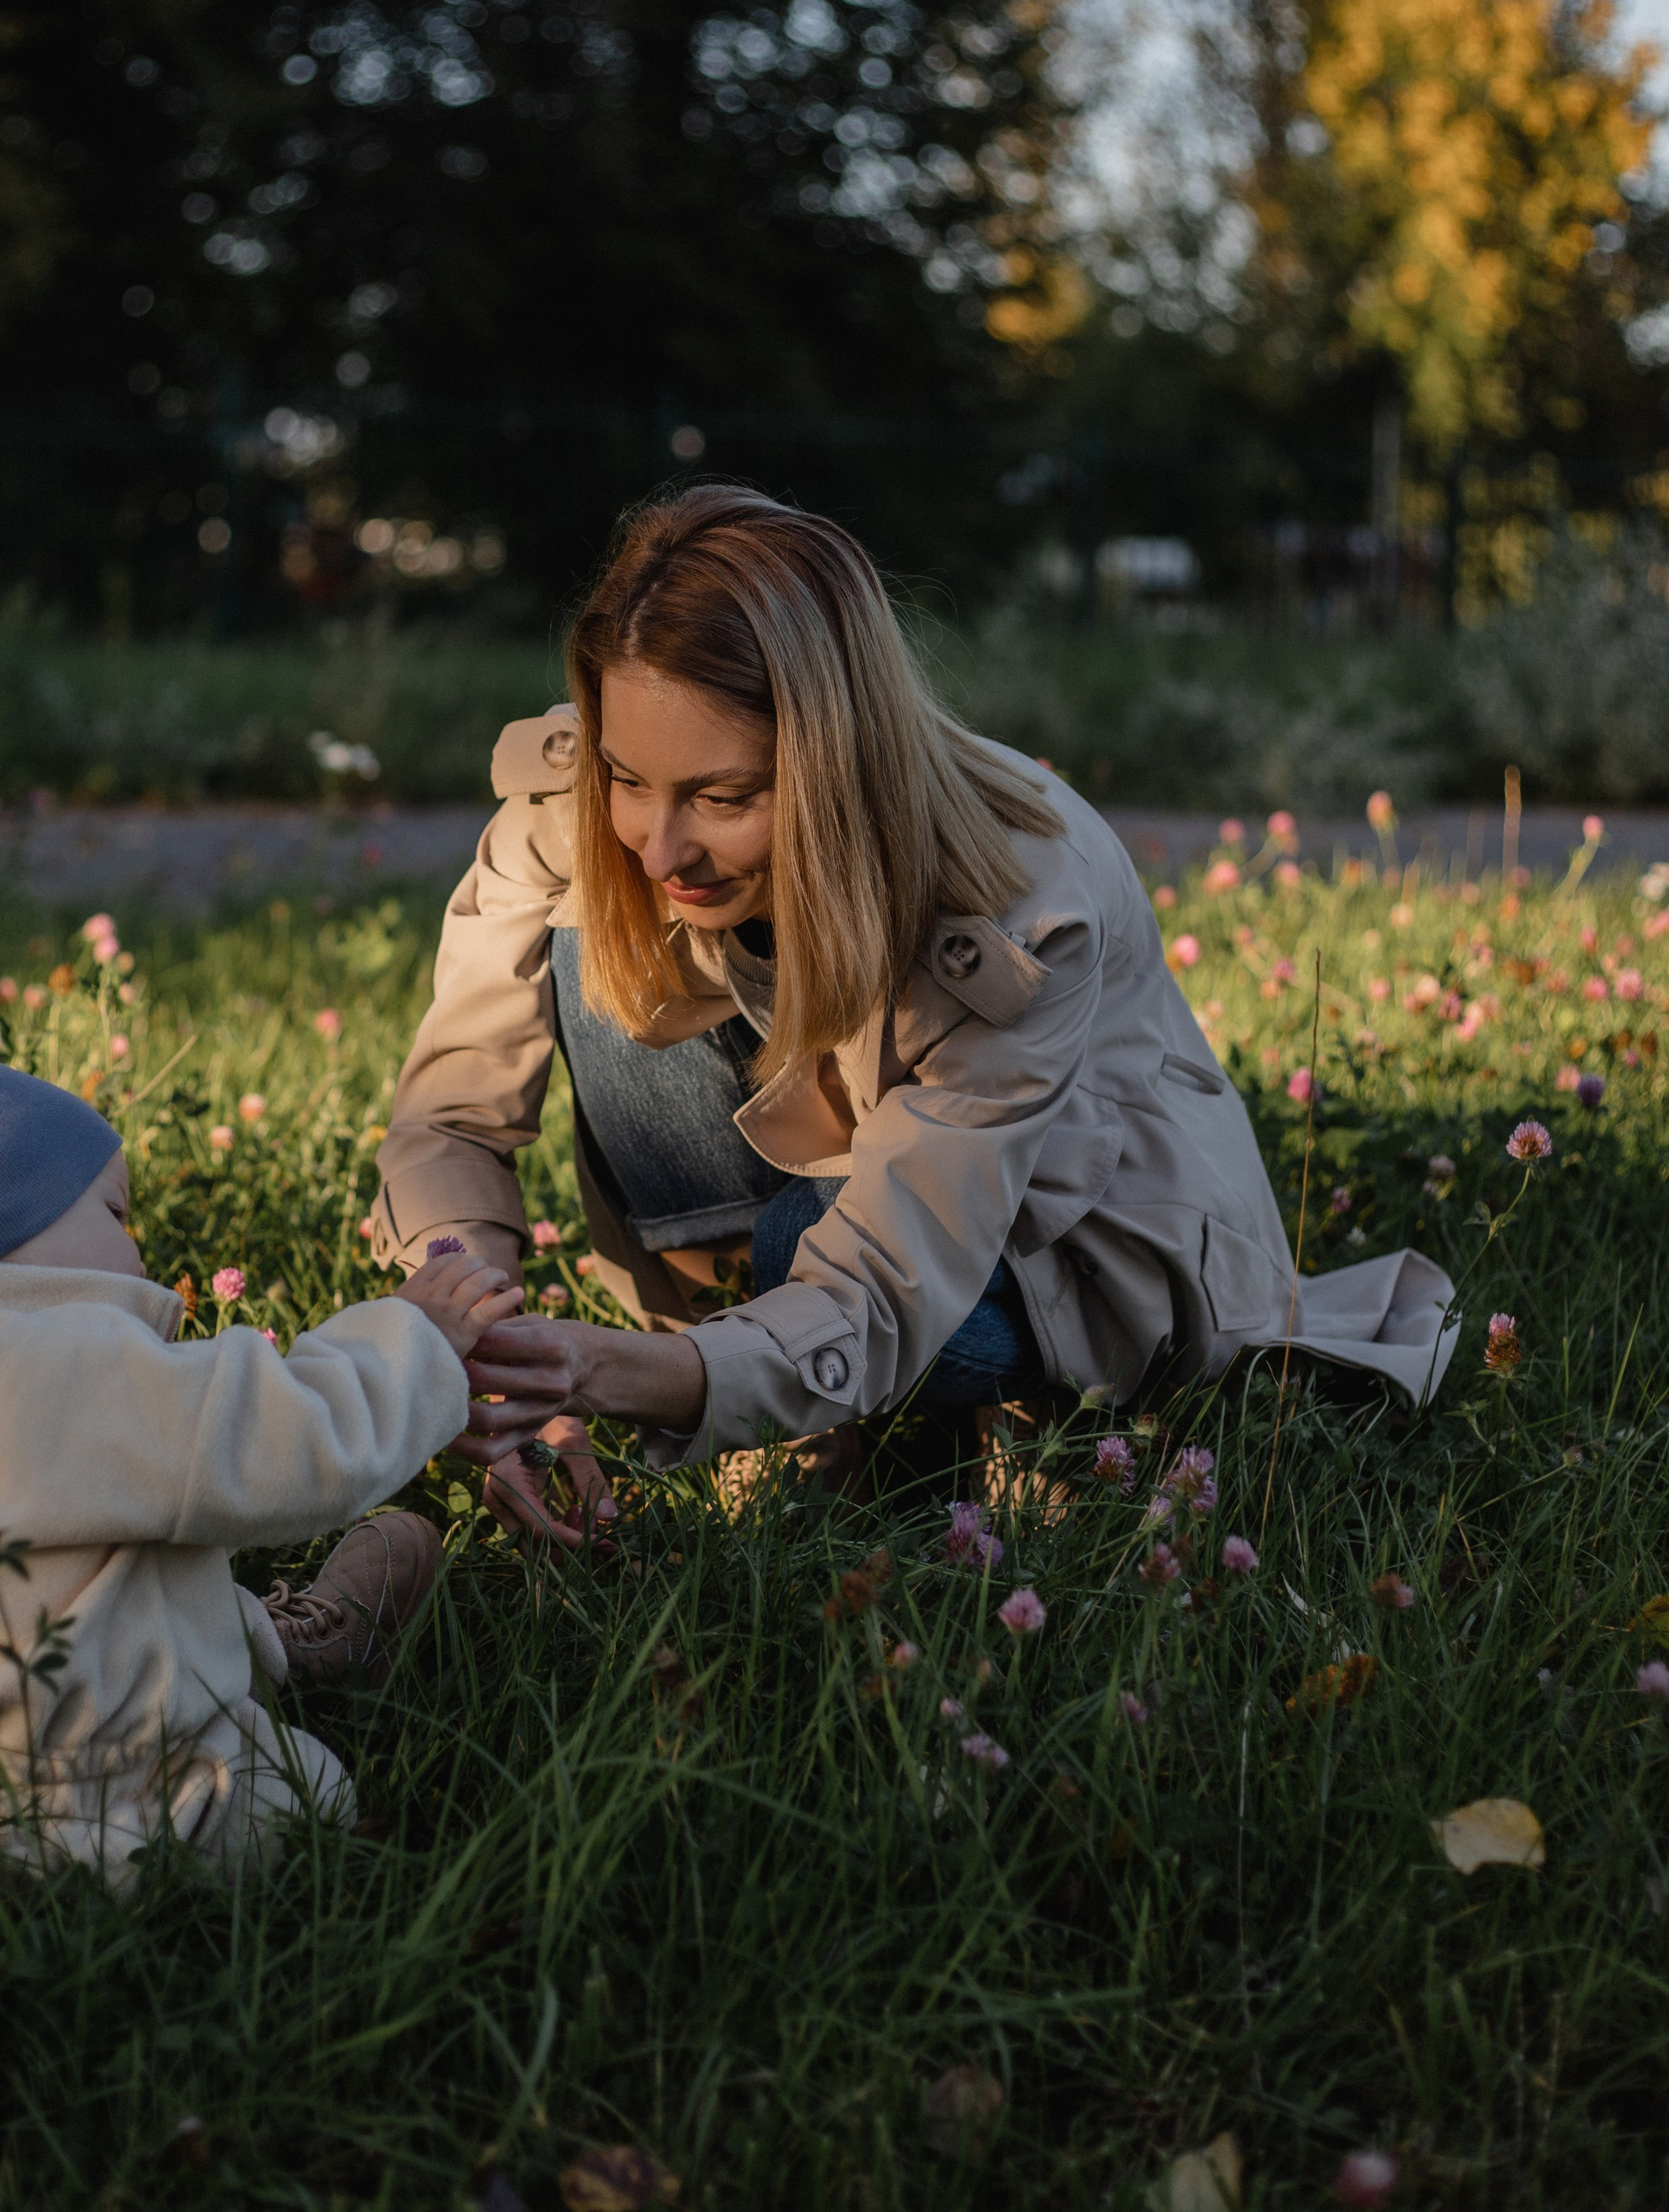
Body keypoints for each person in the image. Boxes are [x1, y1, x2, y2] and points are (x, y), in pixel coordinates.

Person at [370, 487, 1457, 1533]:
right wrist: (485, 1349)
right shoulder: (596, 815)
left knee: (816, 1237)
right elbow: (453, 1116)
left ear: (835, 761)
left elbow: (888, 1278)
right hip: (829, 1160)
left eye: (725, 796)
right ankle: (768, 1379)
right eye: (627, 777)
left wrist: (605, 1373)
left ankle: (1020, 1426)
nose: (661, 843)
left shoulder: (1016, 896)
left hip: (1064, 1248)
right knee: (594, 930)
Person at [0, 1038, 528, 1875]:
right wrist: (414, 1339)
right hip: (136, 1809)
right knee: (310, 1797)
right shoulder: (71, 1369)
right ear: (8, 1228)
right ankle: (279, 1662)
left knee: (65, 1572)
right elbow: (289, 1438)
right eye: (116, 1216)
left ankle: (249, 1638)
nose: (139, 1254)